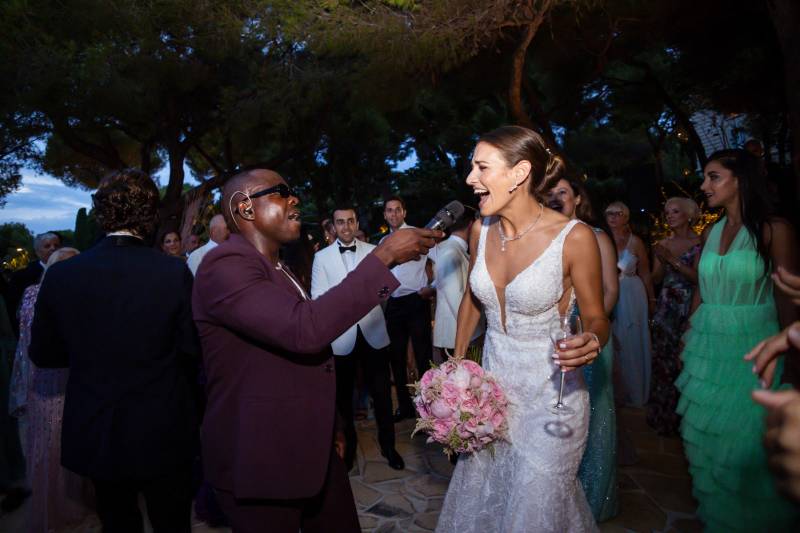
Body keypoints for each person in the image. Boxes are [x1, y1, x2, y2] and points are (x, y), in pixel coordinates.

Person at [191, 169, 439, 533]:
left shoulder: (278, 267)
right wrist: (382, 257)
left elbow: (305, 348)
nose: (295, 200)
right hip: (262, 459)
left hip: (310, 443)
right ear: (244, 207)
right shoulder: (224, 266)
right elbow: (305, 329)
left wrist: (330, 426)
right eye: (282, 193)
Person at [436, 126, 608, 532]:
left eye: (481, 167)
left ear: (519, 173)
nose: (470, 179)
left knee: (536, 507)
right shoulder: (481, 230)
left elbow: (598, 315)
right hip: (492, 395)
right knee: (489, 498)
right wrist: (458, 368)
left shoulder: (575, 237)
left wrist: (593, 338)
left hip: (553, 398)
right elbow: (474, 301)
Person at [28, 169, 200, 533]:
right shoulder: (172, 273)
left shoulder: (62, 275)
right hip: (163, 426)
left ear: (101, 214)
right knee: (172, 522)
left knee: (117, 521)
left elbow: (44, 354)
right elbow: (192, 351)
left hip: (98, 426)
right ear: (150, 215)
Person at [675, 149, 799, 531]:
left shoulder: (774, 229)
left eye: (713, 177)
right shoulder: (711, 231)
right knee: (708, 438)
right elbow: (701, 288)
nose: (703, 185)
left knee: (749, 440)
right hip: (708, 348)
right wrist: (688, 333)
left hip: (754, 346)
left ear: (739, 180)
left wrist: (789, 352)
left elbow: (788, 296)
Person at [547, 176, 619, 522]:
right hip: (554, 337)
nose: (556, 197)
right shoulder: (546, 237)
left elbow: (609, 290)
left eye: (563, 192)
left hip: (587, 334)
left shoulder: (596, 236)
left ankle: (591, 499)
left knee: (592, 418)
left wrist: (590, 332)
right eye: (552, 193)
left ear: (578, 198)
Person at [310, 206, 403, 472]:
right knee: (343, 400)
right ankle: (347, 451)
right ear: (333, 227)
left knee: (383, 395)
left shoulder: (374, 250)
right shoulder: (322, 258)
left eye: (350, 221)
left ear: (356, 222)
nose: (346, 227)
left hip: (374, 332)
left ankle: (389, 447)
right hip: (341, 337)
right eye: (340, 222)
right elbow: (318, 297)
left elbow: (386, 289)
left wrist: (372, 303)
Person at [11, 247, 95, 532]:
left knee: (75, 440)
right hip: (47, 379)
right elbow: (28, 342)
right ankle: (55, 506)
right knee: (51, 443)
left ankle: (79, 501)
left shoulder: (83, 295)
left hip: (75, 378)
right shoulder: (34, 294)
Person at [647, 197, 702, 436]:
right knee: (664, 363)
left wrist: (671, 259)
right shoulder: (662, 243)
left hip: (691, 306)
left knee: (688, 362)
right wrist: (657, 261)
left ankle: (691, 421)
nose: (669, 215)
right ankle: (665, 418)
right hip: (666, 308)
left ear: (689, 214)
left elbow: (698, 279)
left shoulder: (701, 242)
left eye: (675, 211)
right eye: (667, 212)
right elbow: (657, 278)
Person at [382, 196, 437, 421]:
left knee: (423, 357)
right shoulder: (383, 241)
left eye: (397, 210)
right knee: (395, 357)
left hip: (416, 301)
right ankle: (404, 407)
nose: (393, 214)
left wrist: (431, 287)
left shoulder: (418, 234)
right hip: (394, 304)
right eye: (389, 211)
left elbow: (438, 261)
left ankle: (428, 410)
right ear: (385, 215)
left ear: (404, 212)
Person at [605, 201, 654, 407]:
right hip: (609, 293)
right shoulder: (602, 239)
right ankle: (616, 393)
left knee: (633, 340)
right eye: (609, 214)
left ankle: (636, 392)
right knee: (613, 340)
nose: (613, 217)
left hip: (632, 295)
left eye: (617, 213)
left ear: (626, 217)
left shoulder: (636, 243)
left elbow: (646, 274)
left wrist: (652, 300)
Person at [6, 232, 61, 336]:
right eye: (47, 246)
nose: (53, 249)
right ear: (37, 251)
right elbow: (13, 309)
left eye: (56, 245)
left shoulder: (67, 271)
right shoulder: (21, 277)